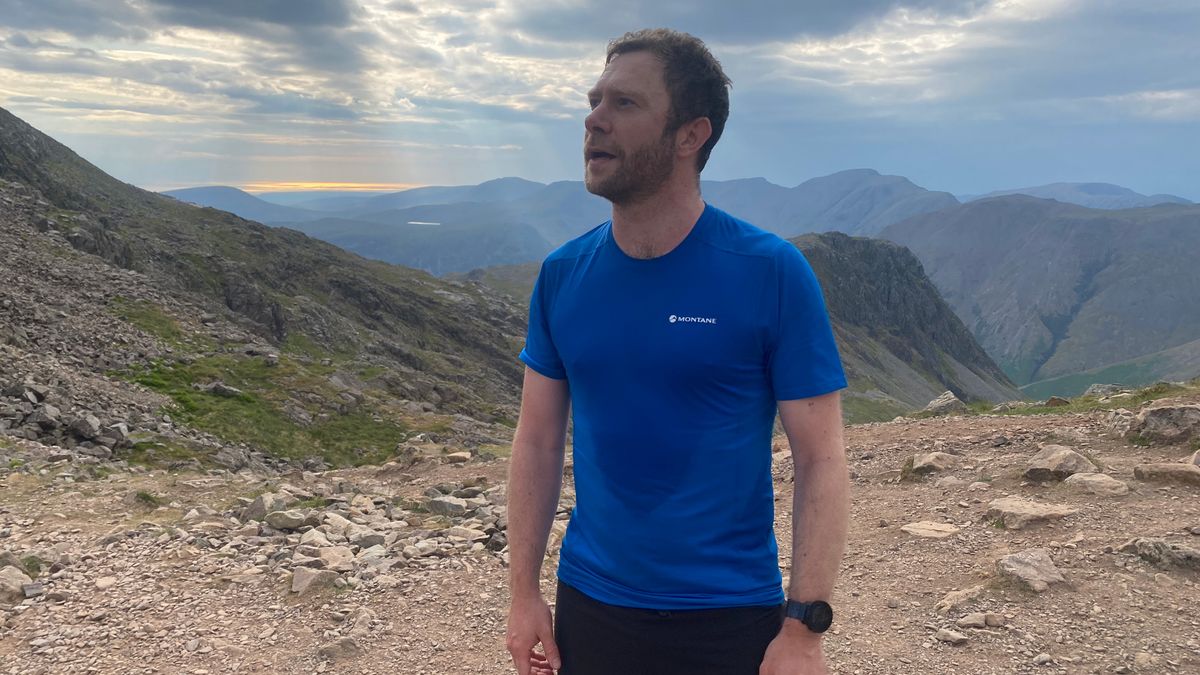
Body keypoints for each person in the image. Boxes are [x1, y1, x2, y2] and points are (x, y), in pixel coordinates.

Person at [505, 28, 849, 675]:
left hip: (728, 614)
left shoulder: (771, 272)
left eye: (625, 104)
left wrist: (804, 627)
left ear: (691, 134)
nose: (594, 119)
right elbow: (538, 442)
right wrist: (524, 594)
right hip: (592, 606)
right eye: (594, 99)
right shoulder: (562, 275)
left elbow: (822, 457)